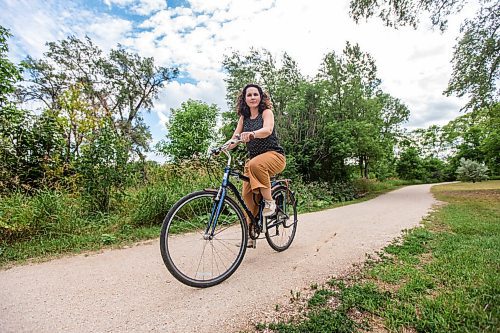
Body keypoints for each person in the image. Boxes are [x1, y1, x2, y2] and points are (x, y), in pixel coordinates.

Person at [225, 84, 286, 247]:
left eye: (255, 94)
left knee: (255, 164)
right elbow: (235, 138)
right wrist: (223, 147)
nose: (252, 97)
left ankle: (269, 203)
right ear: (244, 99)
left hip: (274, 156)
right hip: (253, 162)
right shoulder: (243, 119)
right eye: (249, 95)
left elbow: (267, 129)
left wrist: (252, 134)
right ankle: (251, 236)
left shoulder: (266, 113)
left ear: (260, 97)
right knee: (247, 198)